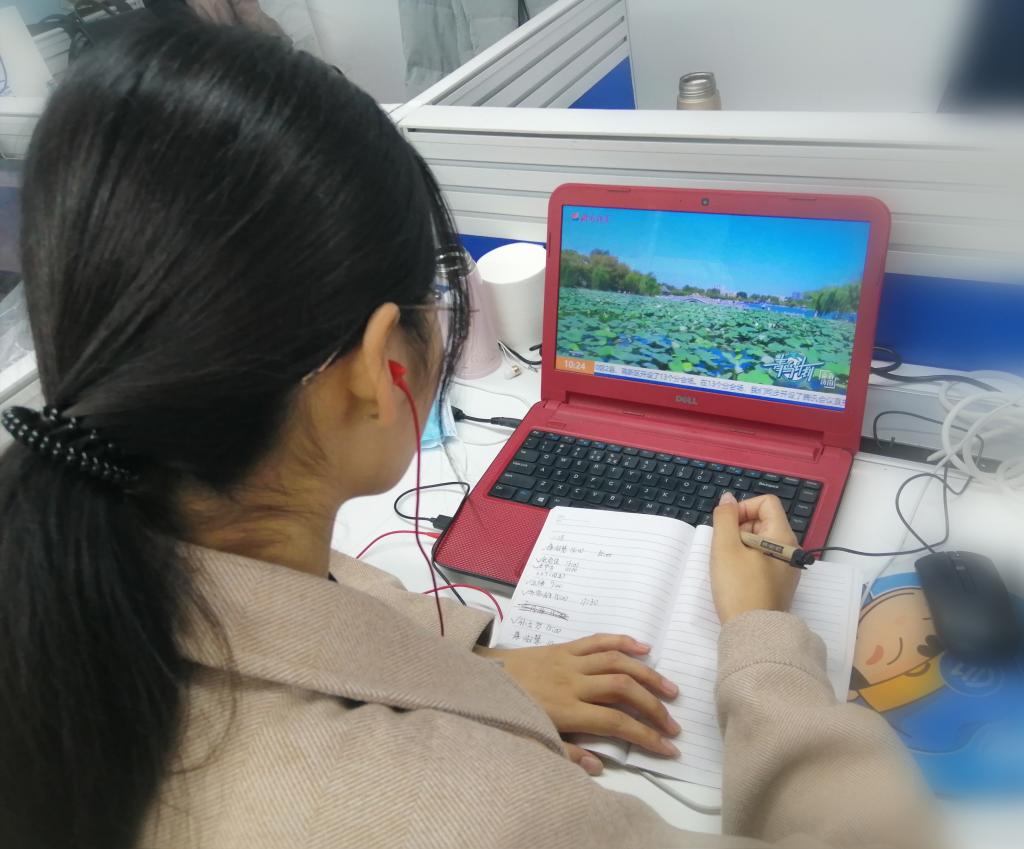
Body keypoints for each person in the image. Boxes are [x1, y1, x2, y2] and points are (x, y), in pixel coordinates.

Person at [0, 19, 935, 849]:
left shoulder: (60, 555)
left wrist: (467, 664)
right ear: (380, 366)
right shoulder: (469, 810)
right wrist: (766, 638)